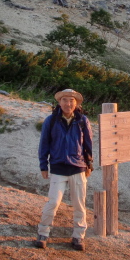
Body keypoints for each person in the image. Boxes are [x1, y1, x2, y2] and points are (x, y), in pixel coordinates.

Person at [34, 88, 93, 251]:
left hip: (78, 168)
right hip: (58, 167)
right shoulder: (51, 121)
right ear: (59, 102)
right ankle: (43, 232)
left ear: (76, 103)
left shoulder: (83, 121)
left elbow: (88, 144)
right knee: (53, 202)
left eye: (72, 100)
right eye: (65, 100)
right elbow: (44, 144)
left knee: (79, 204)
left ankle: (78, 236)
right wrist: (43, 165)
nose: (68, 103)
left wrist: (89, 164)